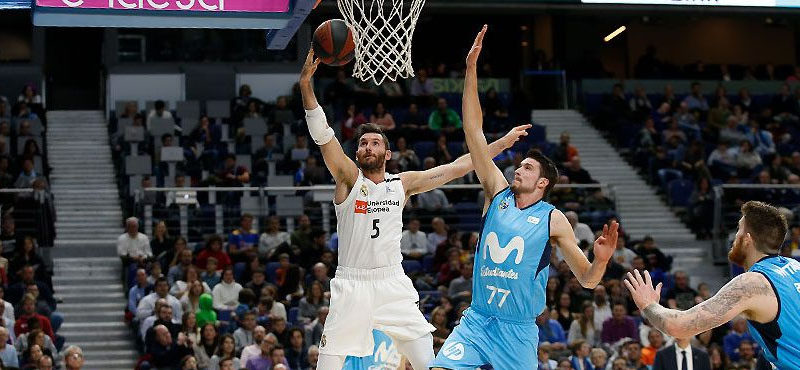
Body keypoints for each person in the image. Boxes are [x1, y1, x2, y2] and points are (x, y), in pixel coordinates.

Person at [299, 46, 530, 370]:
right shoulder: (349, 179)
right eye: (363, 143)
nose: (367, 147)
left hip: (392, 281)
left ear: (388, 154)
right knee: (328, 364)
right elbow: (325, 138)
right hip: (352, 284)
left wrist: (501, 144)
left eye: (375, 142)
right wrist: (307, 89)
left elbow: (457, 167)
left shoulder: (402, 183)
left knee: (427, 360)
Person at [430, 26, 618, 370]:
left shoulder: (552, 218)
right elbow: (473, 132)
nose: (518, 169)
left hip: (517, 332)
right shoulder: (498, 192)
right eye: (519, 165)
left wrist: (602, 260)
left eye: (527, 168)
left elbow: (589, 281)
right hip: (477, 321)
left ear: (543, 181)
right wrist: (470, 70)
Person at [625, 201, 798, 368]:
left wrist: (648, 305)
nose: (734, 236)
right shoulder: (795, 267)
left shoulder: (753, 284)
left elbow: (678, 326)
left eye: (738, 229)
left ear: (747, 239)